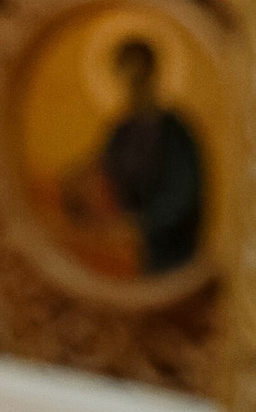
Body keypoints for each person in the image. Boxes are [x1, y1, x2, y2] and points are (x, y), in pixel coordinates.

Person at [64, 30, 206, 277]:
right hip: (127, 250)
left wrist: (138, 226)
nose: (132, 87)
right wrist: (76, 184)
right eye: (126, 79)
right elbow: (101, 167)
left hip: (168, 252)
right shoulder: (122, 130)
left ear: (153, 76)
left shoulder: (175, 131)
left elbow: (184, 196)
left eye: (139, 78)